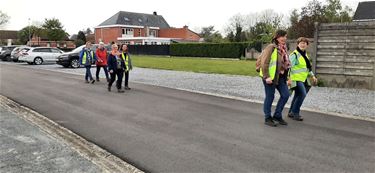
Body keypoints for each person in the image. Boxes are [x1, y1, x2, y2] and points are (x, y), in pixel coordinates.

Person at [259, 30, 290, 127]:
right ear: (277, 37)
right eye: (282, 36)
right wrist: (267, 76)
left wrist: (287, 76)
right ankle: (267, 117)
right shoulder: (271, 47)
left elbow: (284, 64)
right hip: (270, 77)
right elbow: (264, 62)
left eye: (285, 36)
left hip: (280, 77)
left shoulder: (283, 49)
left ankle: (277, 115)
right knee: (270, 96)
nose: (284, 38)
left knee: (285, 95)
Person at [288, 37, 318, 121]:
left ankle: (291, 112)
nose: (303, 44)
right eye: (301, 43)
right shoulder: (294, 55)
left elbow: (307, 68)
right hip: (296, 79)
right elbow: (289, 67)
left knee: (297, 95)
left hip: (303, 79)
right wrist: (288, 79)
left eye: (305, 43)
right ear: (298, 44)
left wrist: (313, 76)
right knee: (302, 94)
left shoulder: (304, 55)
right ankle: (295, 113)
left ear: (307, 45)